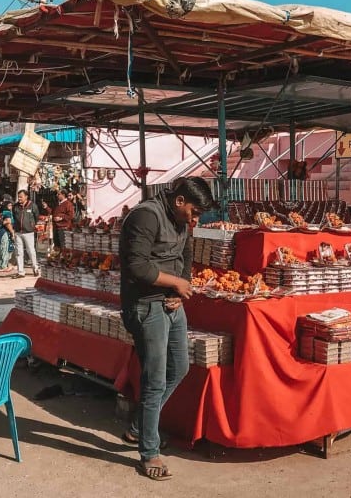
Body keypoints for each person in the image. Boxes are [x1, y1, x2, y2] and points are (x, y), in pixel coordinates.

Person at [119, 176, 215, 481]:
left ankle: (139, 427)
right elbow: (137, 266)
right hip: (146, 306)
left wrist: (178, 289)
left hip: (172, 305)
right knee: (155, 380)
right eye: (194, 212)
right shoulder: (146, 216)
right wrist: (176, 283)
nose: (195, 220)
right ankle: (149, 453)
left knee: (180, 367)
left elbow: (185, 253)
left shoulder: (181, 220)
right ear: (179, 201)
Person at [12, 189, 40, 279]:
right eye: (18, 196)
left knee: (31, 251)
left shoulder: (32, 206)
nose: (19, 198)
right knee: (19, 252)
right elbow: (14, 216)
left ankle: (35, 268)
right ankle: (20, 272)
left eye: (21, 196)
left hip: (28, 232)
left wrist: (31, 226)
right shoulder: (15, 206)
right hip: (18, 232)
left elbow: (36, 217)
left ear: (26, 196)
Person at [0, 201, 16, 272]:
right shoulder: (7, 213)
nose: (11, 207)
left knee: (2, 249)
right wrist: (12, 232)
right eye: (9, 206)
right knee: (5, 249)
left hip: (0, 232)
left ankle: (1, 265)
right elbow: (8, 223)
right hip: (5, 232)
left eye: (11, 205)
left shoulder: (2, 212)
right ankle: (3, 266)